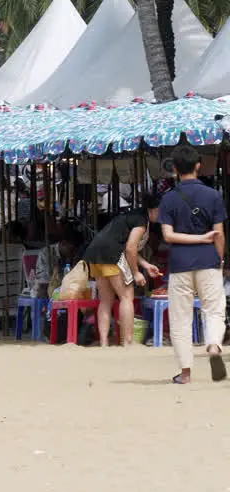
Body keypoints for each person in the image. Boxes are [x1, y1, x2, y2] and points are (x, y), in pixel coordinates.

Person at [157, 145, 226, 384]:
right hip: (208, 259)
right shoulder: (213, 195)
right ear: (198, 165)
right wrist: (220, 258)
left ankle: (185, 373)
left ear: (174, 168)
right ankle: (214, 345)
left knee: (180, 318)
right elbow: (219, 234)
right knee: (214, 310)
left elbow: (168, 236)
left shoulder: (168, 198)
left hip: (180, 263)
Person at [81, 195, 162, 347]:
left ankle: (104, 343)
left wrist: (146, 265)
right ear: (156, 210)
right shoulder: (141, 221)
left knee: (106, 300)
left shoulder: (133, 216)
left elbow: (128, 247)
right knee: (126, 296)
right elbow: (130, 248)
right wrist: (136, 272)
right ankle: (128, 341)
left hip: (95, 253)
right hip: (111, 255)